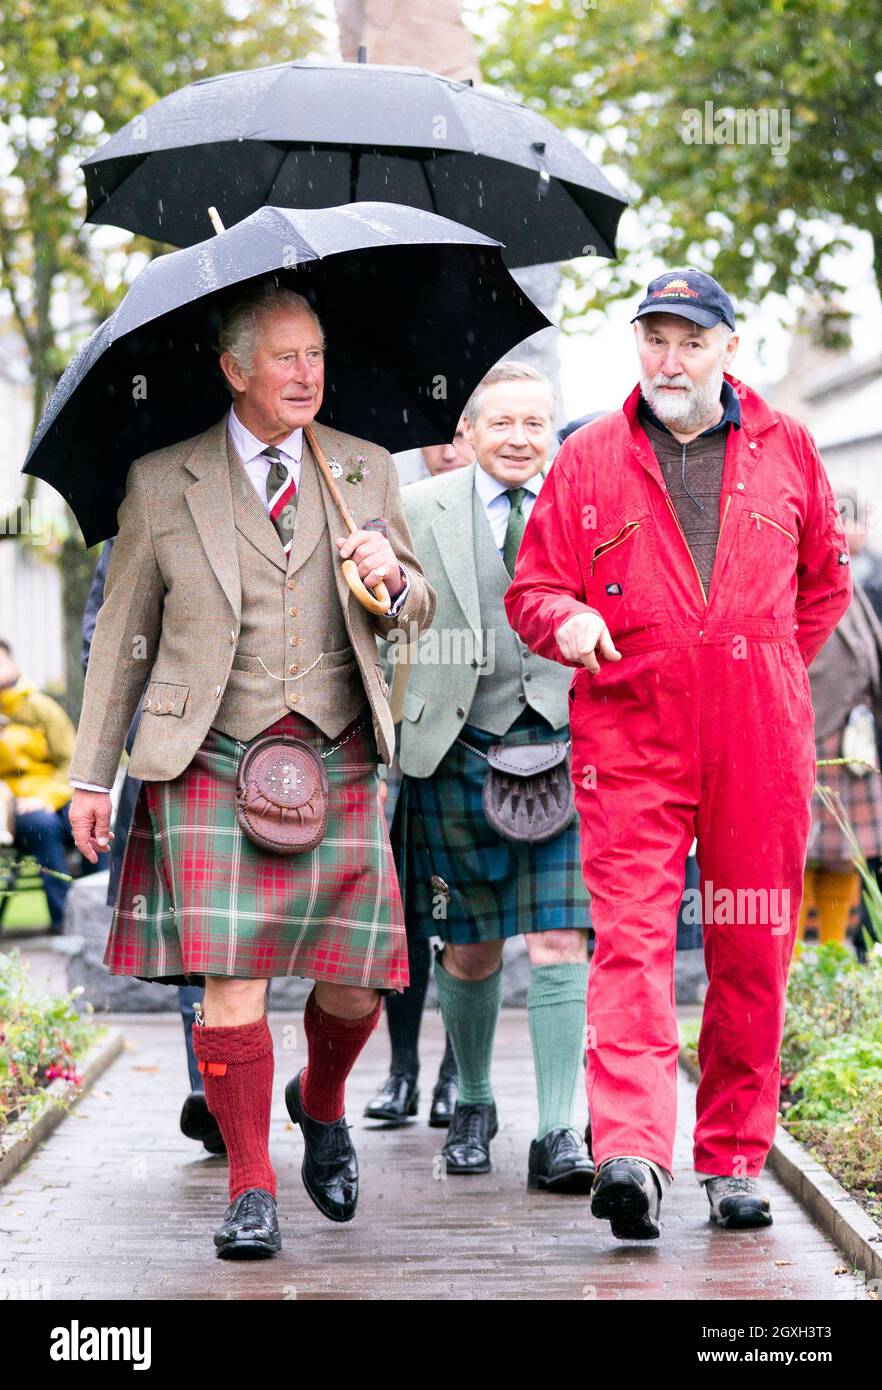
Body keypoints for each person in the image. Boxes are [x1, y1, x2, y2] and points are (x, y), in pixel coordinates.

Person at [68, 281, 435, 1259]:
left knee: (360, 981)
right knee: (233, 983)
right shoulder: (160, 481)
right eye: (283, 357)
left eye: (315, 354)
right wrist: (91, 775)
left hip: (339, 750)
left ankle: (319, 1100)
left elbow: (418, 604)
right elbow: (122, 641)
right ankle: (250, 1187)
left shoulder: (361, 470)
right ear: (234, 370)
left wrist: (396, 579)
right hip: (209, 755)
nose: (306, 373)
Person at [506, 268, 852, 1238]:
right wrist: (567, 618)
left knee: (751, 952)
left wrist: (764, 666)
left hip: (758, 745)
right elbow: (531, 589)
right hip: (628, 738)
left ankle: (736, 1159)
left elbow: (824, 584)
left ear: (727, 349)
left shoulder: (789, 448)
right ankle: (631, 1152)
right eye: (654, 337)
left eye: (690, 340)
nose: (670, 357)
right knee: (633, 946)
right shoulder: (590, 458)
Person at [390, 362, 594, 1192]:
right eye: (501, 424)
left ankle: (558, 1129)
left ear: (553, 433)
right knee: (469, 949)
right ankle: (473, 1101)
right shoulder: (412, 510)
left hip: (563, 750)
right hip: (455, 751)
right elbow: (384, 619)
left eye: (535, 425)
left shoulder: (584, 510)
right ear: (466, 434)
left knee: (559, 939)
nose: (519, 439)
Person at [82, 542, 225, 1155]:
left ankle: (299, 1087)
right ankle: (214, 1092)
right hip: (171, 760)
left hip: (281, 758)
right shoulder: (144, 506)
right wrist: (156, 727)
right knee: (197, 936)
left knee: (261, 935)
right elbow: (103, 638)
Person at [798, 492, 882, 949]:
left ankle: (832, 962)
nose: (861, 530)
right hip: (807, 735)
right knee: (800, 857)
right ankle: (792, 970)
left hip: (851, 743)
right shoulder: (801, 570)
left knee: (846, 857)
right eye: (853, 520)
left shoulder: (856, 575)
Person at [0, 639, 85, 931]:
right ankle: (63, 917)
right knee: (42, 825)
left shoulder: (41, 708)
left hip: (55, 791)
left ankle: (101, 912)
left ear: (13, 663)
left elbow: (70, 760)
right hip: (12, 802)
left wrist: (48, 796)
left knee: (85, 821)